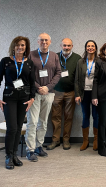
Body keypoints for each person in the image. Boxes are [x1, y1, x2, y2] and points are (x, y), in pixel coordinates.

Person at [0, 36, 35, 169]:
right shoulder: (5, 61)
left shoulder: (29, 63)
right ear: (13, 46)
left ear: (26, 47)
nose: (20, 47)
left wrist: (32, 98)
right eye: (17, 45)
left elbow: (32, 82)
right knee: (12, 128)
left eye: (22, 45)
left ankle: (14, 155)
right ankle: (8, 156)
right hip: (9, 96)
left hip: (24, 98)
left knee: (19, 127)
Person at [25, 33, 61, 162]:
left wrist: (48, 87)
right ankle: (30, 149)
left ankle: (39, 146)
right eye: (41, 40)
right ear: (38, 41)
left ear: (50, 42)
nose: (44, 42)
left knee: (43, 122)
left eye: (46, 40)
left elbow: (58, 73)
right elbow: (27, 73)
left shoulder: (54, 56)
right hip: (34, 94)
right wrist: (38, 87)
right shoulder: (30, 55)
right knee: (32, 122)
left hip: (49, 93)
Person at [47, 38, 81, 150]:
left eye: (69, 46)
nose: (66, 48)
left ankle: (66, 140)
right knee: (55, 117)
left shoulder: (77, 58)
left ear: (72, 46)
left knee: (68, 117)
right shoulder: (54, 56)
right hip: (56, 91)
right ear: (60, 45)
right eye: (64, 45)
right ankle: (55, 140)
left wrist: (77, 93)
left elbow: (78, 77)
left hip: (71, 92)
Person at [74, 40, 99, 151]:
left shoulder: (99, 61)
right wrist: (77, 94)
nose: (90, 48)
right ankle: (85, 141)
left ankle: (96, 140)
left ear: (95, 48)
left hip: (95, 93)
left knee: (96, 115)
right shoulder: (81, 62)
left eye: (92, 46)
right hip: (84, 93)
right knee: (85, 116)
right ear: (85, 48)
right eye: (88, 46)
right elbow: (77, 79)